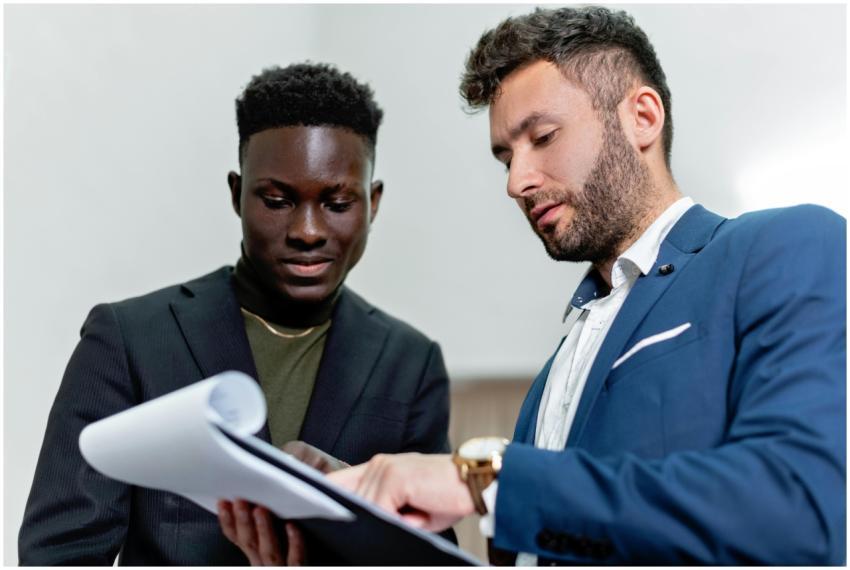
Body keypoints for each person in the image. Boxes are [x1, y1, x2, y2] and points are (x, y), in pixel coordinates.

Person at [230, 6, 845, 565]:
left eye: (543, 138)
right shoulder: (554, 378)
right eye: (505, 156)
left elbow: (802, 512)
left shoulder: (785, 245)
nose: (517, 181)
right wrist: (354, 520)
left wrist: (484, 477)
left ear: (642, 117)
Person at [19, 62, 453, 565]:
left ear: (372, 204)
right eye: (277, 200)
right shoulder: (129, 340)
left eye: (337, 202)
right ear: (236, 194)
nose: (308, 230)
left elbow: (433, 561)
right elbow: (59, 556)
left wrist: (355, 503)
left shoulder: (411, 363)